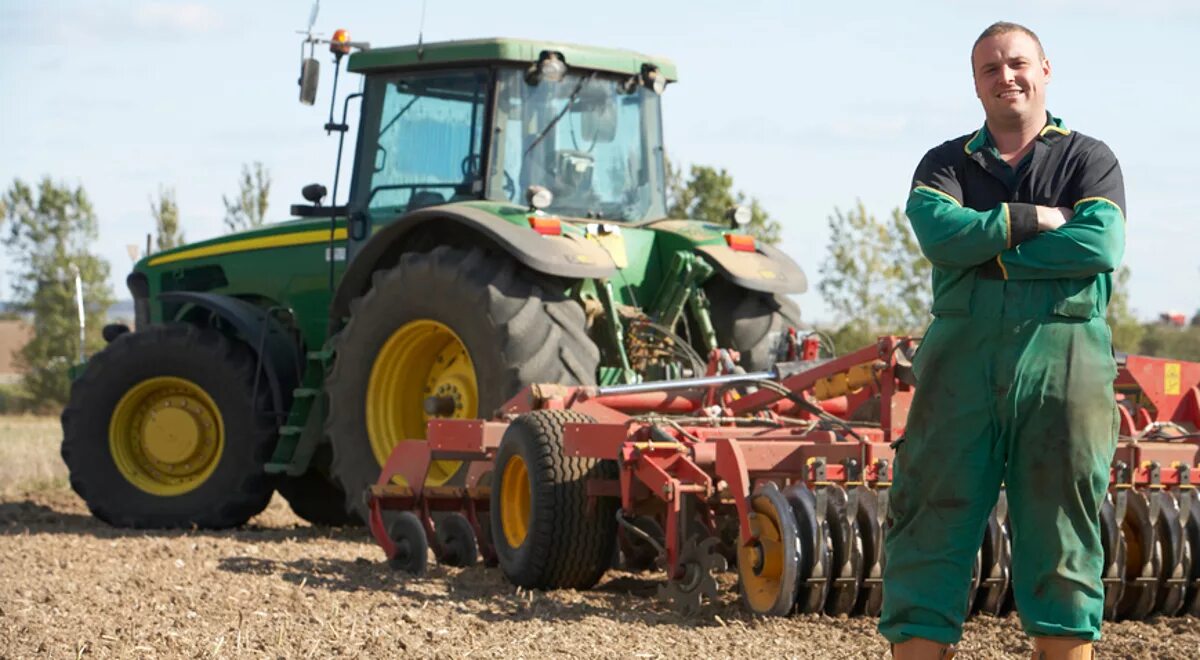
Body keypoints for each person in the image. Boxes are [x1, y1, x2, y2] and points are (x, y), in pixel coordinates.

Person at [878, 21, 1125, 660]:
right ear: (976, 84)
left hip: (1065, 361)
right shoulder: (945, 163)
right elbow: (939, 236)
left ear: (1045, 70)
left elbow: (1100, 244)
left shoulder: (1087, 158)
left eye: (1017, 63)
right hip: (959, 364)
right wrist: (1038, 221)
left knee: (1061, 525)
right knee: (930, 511)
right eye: (990, 68)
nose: (1005, 76)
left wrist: (989, 253)